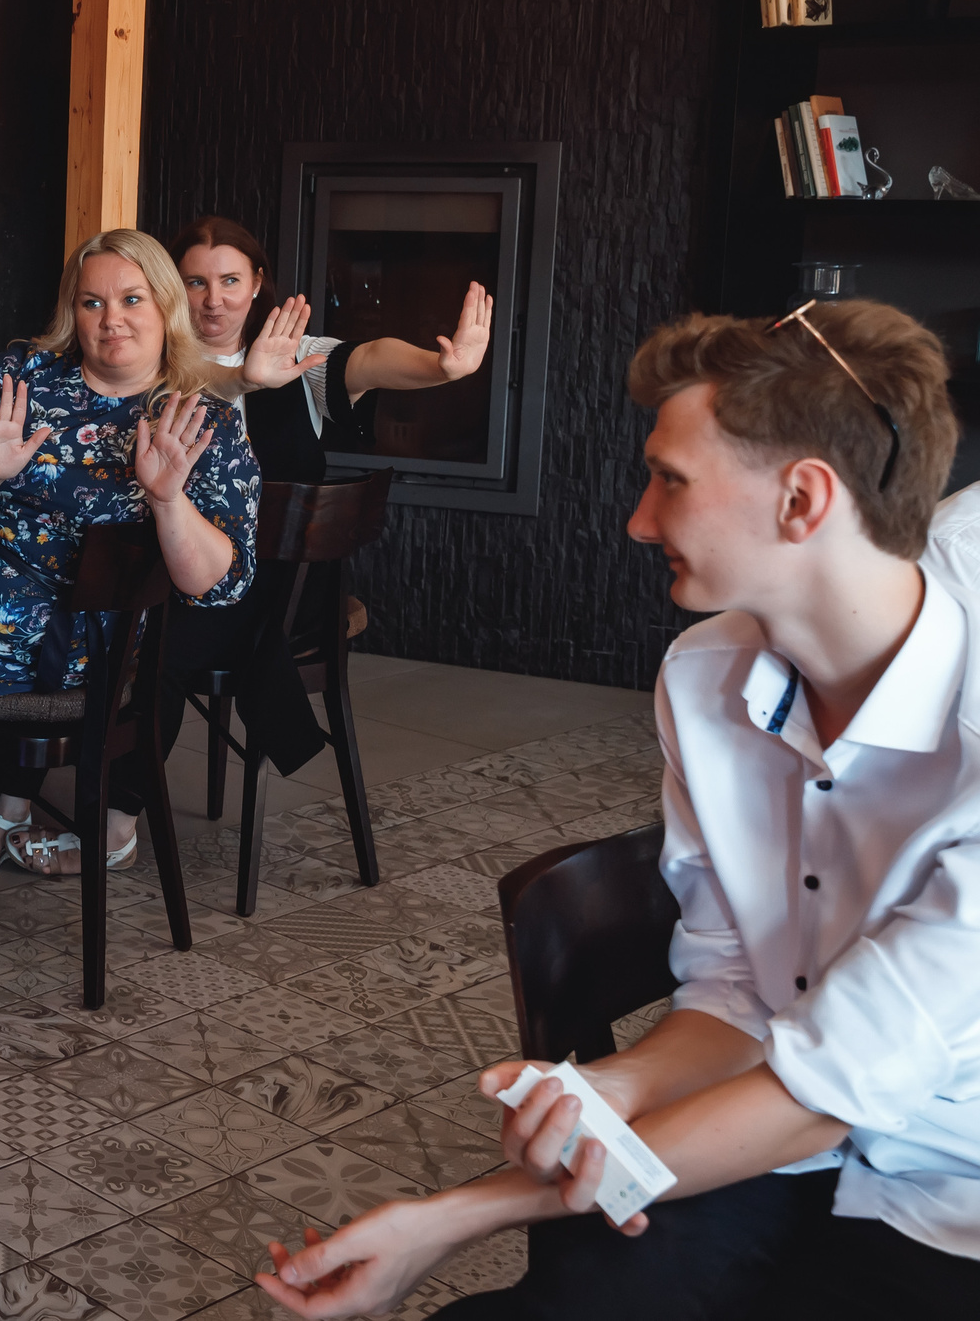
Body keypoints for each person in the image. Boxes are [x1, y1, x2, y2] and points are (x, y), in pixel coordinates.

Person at [252, 299, 978, 1320]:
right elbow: (735, 985)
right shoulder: (701, 676)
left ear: (802, 502)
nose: (637, 519)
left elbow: (830, 1091)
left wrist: (449, 1218)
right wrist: (617, 1091)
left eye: (669, 480)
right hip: (760, 1134)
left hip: (950, 1194)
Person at [0, 229, 260, 895]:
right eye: (91, 302)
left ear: (165, 305)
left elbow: (218, 585)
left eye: (130, 299)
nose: (110, 319)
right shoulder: (18, 378)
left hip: (79, 642)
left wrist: (168, 499)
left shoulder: (201, 421)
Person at [170, 215, 493, 483]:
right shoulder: (152, 363)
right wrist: (245, 378)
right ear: (174, 287)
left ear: (255, 284)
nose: (214, 300)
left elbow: (370, 357)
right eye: (196, 282)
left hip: (282, 557)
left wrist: (438, 367)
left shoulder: (296, 355)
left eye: (230, 281)